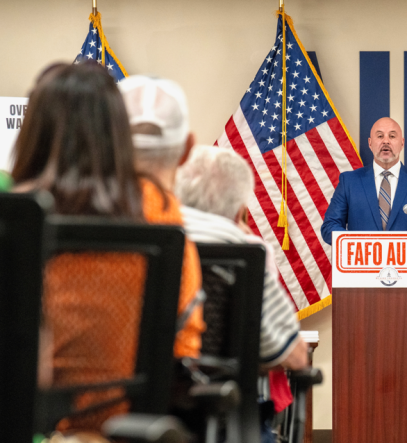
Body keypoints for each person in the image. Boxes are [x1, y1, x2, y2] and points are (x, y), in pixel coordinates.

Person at [11, 62, 195, 432]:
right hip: (125, 431)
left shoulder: (12, 218)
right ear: (118, 133)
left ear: (32, 131)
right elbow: (184, 345)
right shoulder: (160, 215)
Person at [174, 144, 308, 370]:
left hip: (132, 402)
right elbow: (296, 357)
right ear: (239, 213)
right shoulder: (244, 252)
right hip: (217, 398)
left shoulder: (144, 240)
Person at [118, 74, 205, 360]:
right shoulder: (174, 229)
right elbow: (184, 353)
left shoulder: (53, 219)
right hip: (151, 403)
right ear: (187, 149)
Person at [320, 117, 407, 244]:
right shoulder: (349, 182)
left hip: (405, 263)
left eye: (392, 136)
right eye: (380, 136)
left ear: (402, 143)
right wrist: (356, 244)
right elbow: (330, 226)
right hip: (362, 261)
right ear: (370, 143)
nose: (386, 141)